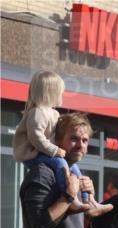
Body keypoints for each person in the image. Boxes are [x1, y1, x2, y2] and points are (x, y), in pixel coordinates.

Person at [13, 71, 111, 218]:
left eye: (85, 140)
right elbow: (36, 138)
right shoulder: (37, 113)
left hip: (44, 152)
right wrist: (55, 150)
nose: (61, 95)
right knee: (60, 163)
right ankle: (71, 199)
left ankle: (89, 202)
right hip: (32, 154)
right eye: (60, 92)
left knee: (76, 171)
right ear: (49, 92)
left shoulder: (53, 113)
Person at [19, 112, 97, 228]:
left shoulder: (74, 173)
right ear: (58, 140)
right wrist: (68, 196)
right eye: (74, 139)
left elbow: (79, 222)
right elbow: (39, 225)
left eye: (85, 141)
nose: (80, 145)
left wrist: (89, 200)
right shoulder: (43, 173)